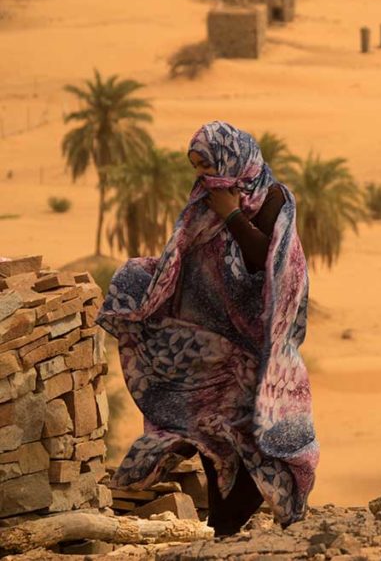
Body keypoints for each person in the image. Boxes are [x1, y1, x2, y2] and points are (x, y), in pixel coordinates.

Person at [98, 121, 317, 536]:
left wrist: (231, 213)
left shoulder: (273, 198)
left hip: (258, 344)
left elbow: (266, 263)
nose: (203, 177)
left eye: (208, 165)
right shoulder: (206, 196)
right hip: (211, 344)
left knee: (260, 435)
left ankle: (229, 524)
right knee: (210, 435)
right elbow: (185, 253)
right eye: (197, 169)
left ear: (232, 158)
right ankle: (221, 530)